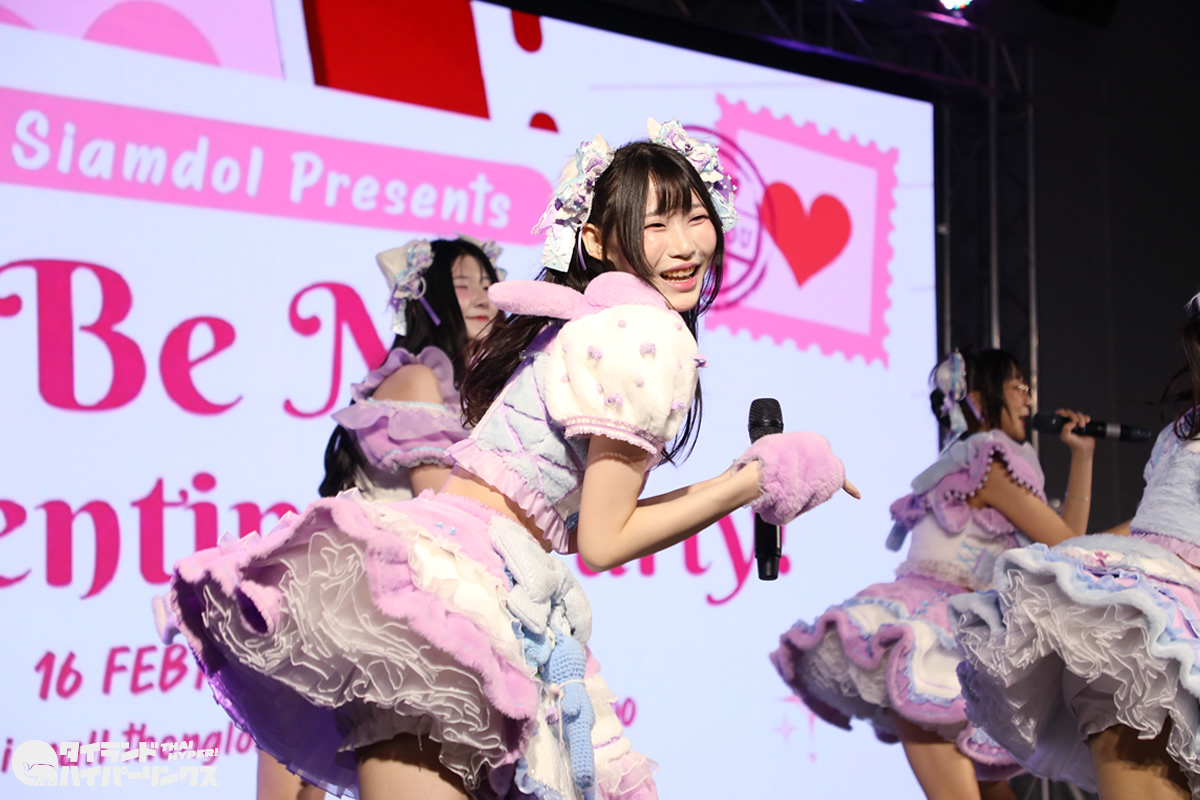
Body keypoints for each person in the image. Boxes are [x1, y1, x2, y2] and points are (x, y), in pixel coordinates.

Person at [166, 119, 856, 800]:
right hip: (469, 586)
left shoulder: (585, 322)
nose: (685, 246)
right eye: (656, 225)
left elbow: (592, 515)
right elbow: (605, 540)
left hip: (457, 579)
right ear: (597, 240)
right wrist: (757, 481)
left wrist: (745, 478)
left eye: (697, 219)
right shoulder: (645, 333)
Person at [771, 348, 1095, 800]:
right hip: (939, 629)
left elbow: (1067, 548)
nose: (1028, 397)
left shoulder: (967, 464)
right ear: (978, 399)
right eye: (1016, 386)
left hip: (964, 631)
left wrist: (1082, 457)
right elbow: (1070, 547)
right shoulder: (986, 464)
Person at [255, 236, 502, 799]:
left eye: (488, 283)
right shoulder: (418, 379)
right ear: (427, 301)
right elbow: (446, 510)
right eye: (462, 284)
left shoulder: (462, 392)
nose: (482, 296)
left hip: (388, 606)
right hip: (360, 603)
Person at [951, 294, 1200, 800]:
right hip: (1137, 624)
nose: (1028, 396)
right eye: (1016, 384)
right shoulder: (1176, 436)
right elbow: (1143, 529)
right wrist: (1077, 567)